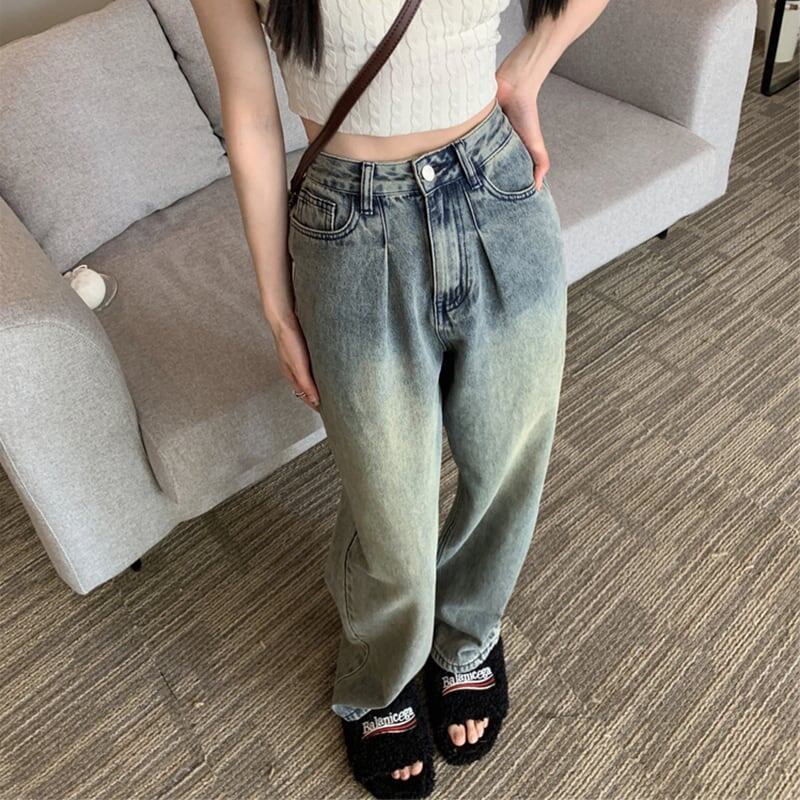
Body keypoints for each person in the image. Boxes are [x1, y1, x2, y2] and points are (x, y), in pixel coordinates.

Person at [191, 1, 609, 797]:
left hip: (497, 187)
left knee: (508, 464)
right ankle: (381, 675)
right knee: (389, 505)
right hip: (348, 226)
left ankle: (467, 637)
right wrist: (277, 306)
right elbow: (250, 114)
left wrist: (530, 65)